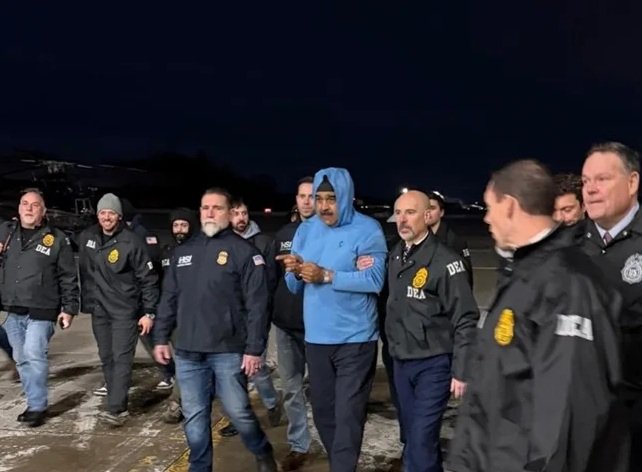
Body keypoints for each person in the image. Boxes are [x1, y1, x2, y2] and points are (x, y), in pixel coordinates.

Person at [449, 159, 626, 472]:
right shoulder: (524, 272)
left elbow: (567, 420)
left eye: (490, 207)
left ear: (510, 206)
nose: (486, 218)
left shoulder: (567, 283)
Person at [154, 187, 277, 472]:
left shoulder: (245, 253)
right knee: (195, 418)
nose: (209, 213)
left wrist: (254, 349)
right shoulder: (182, 252)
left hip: (227, 351)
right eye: (205, 207)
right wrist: (161, 336)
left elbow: (258, 306)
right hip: (188, 351)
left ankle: (261, 450)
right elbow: (169, 297)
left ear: (230, 213)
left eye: (217, 207)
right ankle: (200, 467)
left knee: (238, 412)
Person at [278, 167, 387, 471]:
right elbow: (294, 287)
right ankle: (341, 462)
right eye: (319, 198)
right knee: (324, 412)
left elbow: (374, 280)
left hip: (356, 338)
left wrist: (326, 275)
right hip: (317, 338)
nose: (324, 206)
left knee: (348, 414)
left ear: (347, 197)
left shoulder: (367, 230)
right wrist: (294, 271)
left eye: (332, 198)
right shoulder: (306, 230)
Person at [386, 190, 479, 472]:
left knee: (420, 438)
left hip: (434, 362)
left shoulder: (446, 261)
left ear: (427, 216)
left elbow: (466, 317)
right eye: (398, 213)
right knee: (414, 435)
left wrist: (461, 369)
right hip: (401, 361)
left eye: (410, 212)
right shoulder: (396, 254)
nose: (402, 220)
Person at [579, 141, 642, 471]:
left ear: (632, 182)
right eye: (585, 181)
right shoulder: (568, 246)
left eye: (602, 179)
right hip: (583, 411)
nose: (590, 189)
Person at [78, 193, 159, 427]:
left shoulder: (131, 241)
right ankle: (116, 398)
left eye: (111, 213)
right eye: (103, 213)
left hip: (125, 310)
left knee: (122, 358)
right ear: (97, 215)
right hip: (99, 310)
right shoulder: (88, 237)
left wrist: (148, 312)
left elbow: (148, 279)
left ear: (119, 216)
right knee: (107, 357)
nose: (106, 217)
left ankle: (116, 408)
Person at [0, 188, 79, 427]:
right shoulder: (7, 233)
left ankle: (37, 406)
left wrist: (69, 308)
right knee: (21, 358)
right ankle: (33, 402)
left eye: (35, 205)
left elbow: (68, 276)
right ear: (18, 208)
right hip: (14, 307)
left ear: (43, 211)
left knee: (34, 354)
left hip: (42, 309)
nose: (29, 208)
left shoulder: (56, 239)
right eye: (25, 203)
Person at [271, 176, 315, 471]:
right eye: (302, 196)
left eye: (312, 196)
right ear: (296, 200)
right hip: (286, 324)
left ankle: (334, 438)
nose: (307, 201)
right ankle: (299, 445)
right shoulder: (283, 235)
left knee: (323, 390)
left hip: (318, 326)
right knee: (291, 388)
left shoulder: (330, 234)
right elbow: (271, 279)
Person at [230, 198, 282, 427]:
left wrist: (263, 310)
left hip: (255, 314)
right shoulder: (222, 242)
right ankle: (239, 417)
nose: (241, 218)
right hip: (229, 315)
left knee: (255, 366)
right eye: (235, 213)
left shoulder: (264, 242)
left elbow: (270, 281)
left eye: (244, 213)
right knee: (233, 369)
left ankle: (271, 403)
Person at [158, 207, 198, 424]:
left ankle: (177, 402)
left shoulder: (199, 250)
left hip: (192, 315)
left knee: (185, 360)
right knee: (183, 360)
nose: (179, 229)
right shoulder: (167, 251)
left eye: (184, 225)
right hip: (171, 314)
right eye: (176, 225)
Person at [426, 191, 473, 287]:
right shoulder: (415, 239)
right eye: (425, 208)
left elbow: (465, 279)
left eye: (432, 208)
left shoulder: (455, 241)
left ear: (441, 212)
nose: (428, 212)